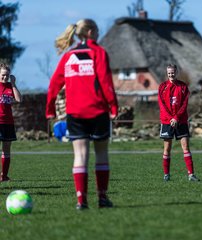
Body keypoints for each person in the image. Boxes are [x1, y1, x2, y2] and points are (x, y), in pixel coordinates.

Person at [46, 19, 119, 210]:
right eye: (97, 30)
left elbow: (54, 83)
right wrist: (113, 106)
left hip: (75, 112)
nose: (99, 33)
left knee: (80, 155)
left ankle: (81, 201)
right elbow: (106, 83)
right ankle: (102, 198)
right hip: (97, 111)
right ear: (90, 32)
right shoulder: (99, 52)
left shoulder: (68, 55)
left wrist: (50, 109)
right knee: (101, 153)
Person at [158, 64, 200, 182]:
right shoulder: (162, 87)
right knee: (167, 148)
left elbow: (184, 104)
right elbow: (162, 105)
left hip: (181, 120)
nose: (171, 74)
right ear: (167, 73)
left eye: (173, 72)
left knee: (186, 147)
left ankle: (191, 174)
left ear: (176, 73)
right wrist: (171, 118)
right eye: (169, 73)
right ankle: (166, 175)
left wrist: (176, 118)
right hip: (167, 121)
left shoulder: (183, 87)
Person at [0, 63, 22, 182]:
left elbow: (19, 99)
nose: (5, 77)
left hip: (8, 123)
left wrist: (13, 84)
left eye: (7, 75)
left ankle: (4, 176)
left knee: (6, 149)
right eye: (3, 75)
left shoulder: (10, 86)